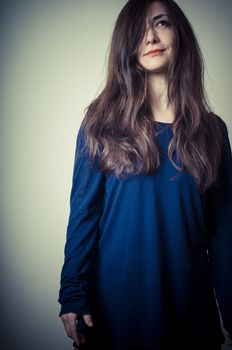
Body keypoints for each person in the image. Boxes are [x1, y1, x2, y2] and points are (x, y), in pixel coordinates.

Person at [57, 0, 232, 349]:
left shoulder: (212, 131)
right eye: (139, 30)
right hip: (117, 311)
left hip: (190, 311)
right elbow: (84, 214)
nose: (150, 36)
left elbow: (224, 231)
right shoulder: (101, 122)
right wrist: (73, 292)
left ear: (178, 32)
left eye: (161, 23)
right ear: (127, 45)